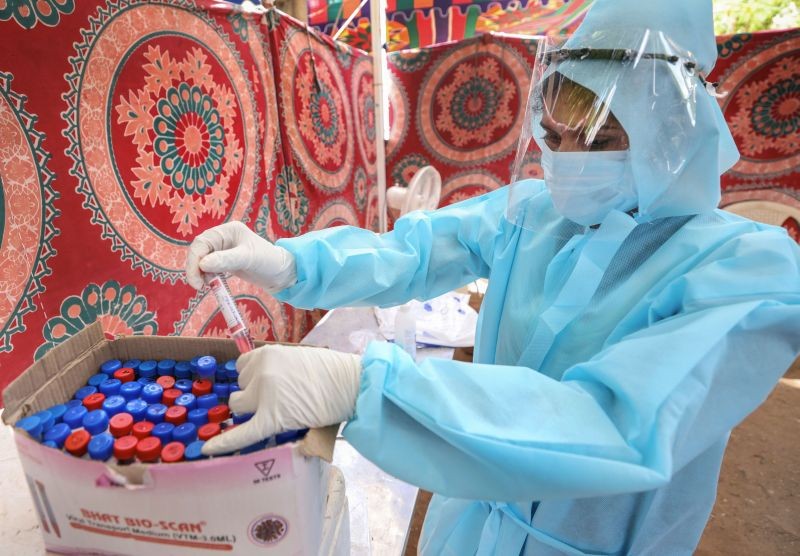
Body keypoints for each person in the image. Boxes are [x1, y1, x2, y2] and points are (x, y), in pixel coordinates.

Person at [185, 0, 800, 553]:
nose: (566, 160)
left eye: (599, 140)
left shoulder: (748, 272)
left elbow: (615, 422)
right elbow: (416, 252)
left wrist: (367, 388)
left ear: (672, 133)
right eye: (554, 136)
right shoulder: (537, 213)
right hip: (472, 522)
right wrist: (291, 261)